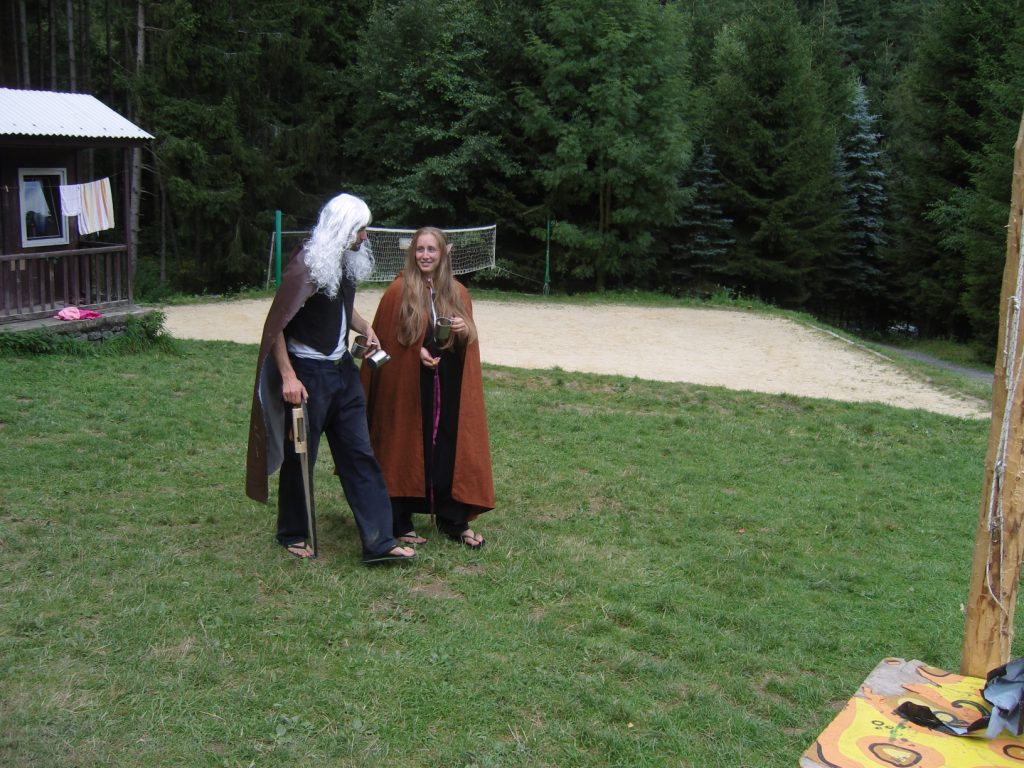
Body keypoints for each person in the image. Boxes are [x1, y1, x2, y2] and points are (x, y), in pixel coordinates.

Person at [245, 193, 415, 564]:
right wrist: (288, 376)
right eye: (360, 230)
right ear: (342, 228)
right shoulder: (305, 264)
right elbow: (277, 325)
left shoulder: (343, 260)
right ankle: (292, 533)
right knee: (300, 456)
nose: (364, 237)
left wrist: (364, 326)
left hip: (342, 372)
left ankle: (380, 542)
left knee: (360, 453)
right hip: (307, 375)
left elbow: (341, 307)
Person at [360, 226, 494, 549]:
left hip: (448, 384)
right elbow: (386, 342)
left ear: (443, 253)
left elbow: (469, 345)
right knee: (403, 446)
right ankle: (400, 520)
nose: (425, 255)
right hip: (407, 385)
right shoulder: (398, 291)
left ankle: (453, 519)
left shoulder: (458, 293)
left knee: (449, 446)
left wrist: (464, 329)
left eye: (431, 249)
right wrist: (414, 352)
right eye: (419, 249)